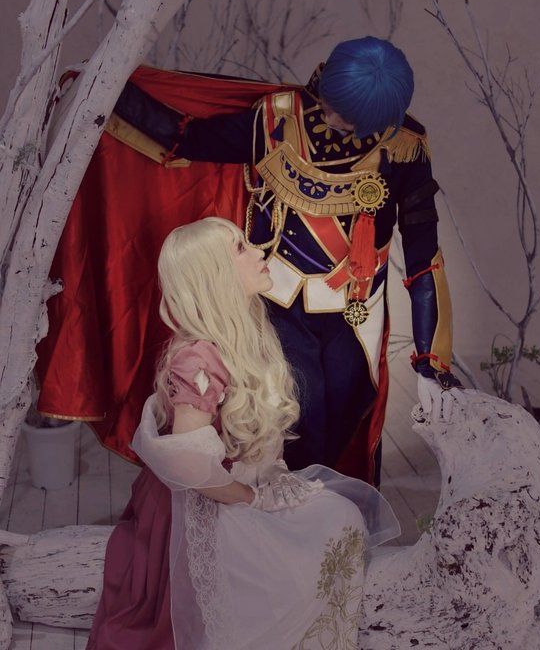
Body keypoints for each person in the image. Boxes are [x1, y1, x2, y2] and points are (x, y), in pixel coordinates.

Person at [111, 35, 461, 484]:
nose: (329, 119)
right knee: (299, 423)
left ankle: (326, 519)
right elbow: (190, 139)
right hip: (278, 303)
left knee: (347, 423)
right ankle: (292, 516)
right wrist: (110, 90)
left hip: (357, 314)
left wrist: (430, 363)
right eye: (331, 105)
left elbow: (423, 255)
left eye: (346, 118)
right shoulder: (276, 118)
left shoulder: (406, 146)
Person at [86, 217, 400, 650]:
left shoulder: (247, 336)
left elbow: (255, 438)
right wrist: (253, 498)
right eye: (240, 248)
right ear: (214, 276)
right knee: (320, 534)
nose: (259, 252)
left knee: (339, 516)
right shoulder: (197, 360)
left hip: (237, 486)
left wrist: (271, 478)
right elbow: (190, 465)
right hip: (202, 505)